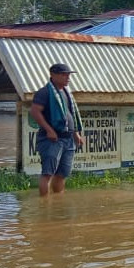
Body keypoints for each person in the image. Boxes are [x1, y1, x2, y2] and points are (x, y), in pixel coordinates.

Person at [29, 63, 85, 196]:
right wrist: (49, 130)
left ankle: (57, 204)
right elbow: (35, 112)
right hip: (52, 139)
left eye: (69, 75)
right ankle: (45, 206)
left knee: (62, 174)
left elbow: (70, 114)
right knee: (48, 173)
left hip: (68, 139)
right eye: (64, 74)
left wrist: (76, 133)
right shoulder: (45, 92)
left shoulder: (66, 92)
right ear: (52, 75)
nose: (68, 77)